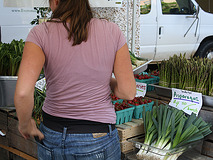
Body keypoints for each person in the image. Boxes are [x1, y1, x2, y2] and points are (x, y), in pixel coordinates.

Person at [14, 0, 136, 159]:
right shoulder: (112, 31)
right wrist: (104, 79)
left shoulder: (40, 33)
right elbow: (127, 92)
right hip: (98, 138)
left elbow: (23, 93)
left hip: (52, 136)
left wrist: (25, 124)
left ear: (56, 1)